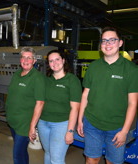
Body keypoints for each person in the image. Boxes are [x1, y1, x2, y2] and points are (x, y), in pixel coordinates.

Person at [77, 27, 138, 164]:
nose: (107, 44)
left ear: (120, 43)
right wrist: (80, 119)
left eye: (112, 40)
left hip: (117, 126)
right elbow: (85, 94)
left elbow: (133, 103)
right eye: (104, 41)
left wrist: (125, 131)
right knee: (92, 158)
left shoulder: (131, 70)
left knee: (113, 161)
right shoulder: (93, 67)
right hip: (92, 123)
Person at [37, 50, 82, 164]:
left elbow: (75, 108)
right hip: (43, 123)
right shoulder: (46, 80)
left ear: (63, 60)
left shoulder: (72, 80)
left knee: (56, 159)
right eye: (51, 61)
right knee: (48, 153)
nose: (54, 63)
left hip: (61, 124)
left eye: (57, 59)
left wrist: (70, 131)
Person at [5, 47, 45, 164]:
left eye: (29, 58)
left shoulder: (37, 78)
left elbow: (40, 102)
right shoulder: (17, 73)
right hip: (13, 121)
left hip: (25, 124)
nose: (26, 60)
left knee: (17, 155)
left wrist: (32, 126)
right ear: (20, 59)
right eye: (23, 57)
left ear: (34, 61)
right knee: (22, 152)